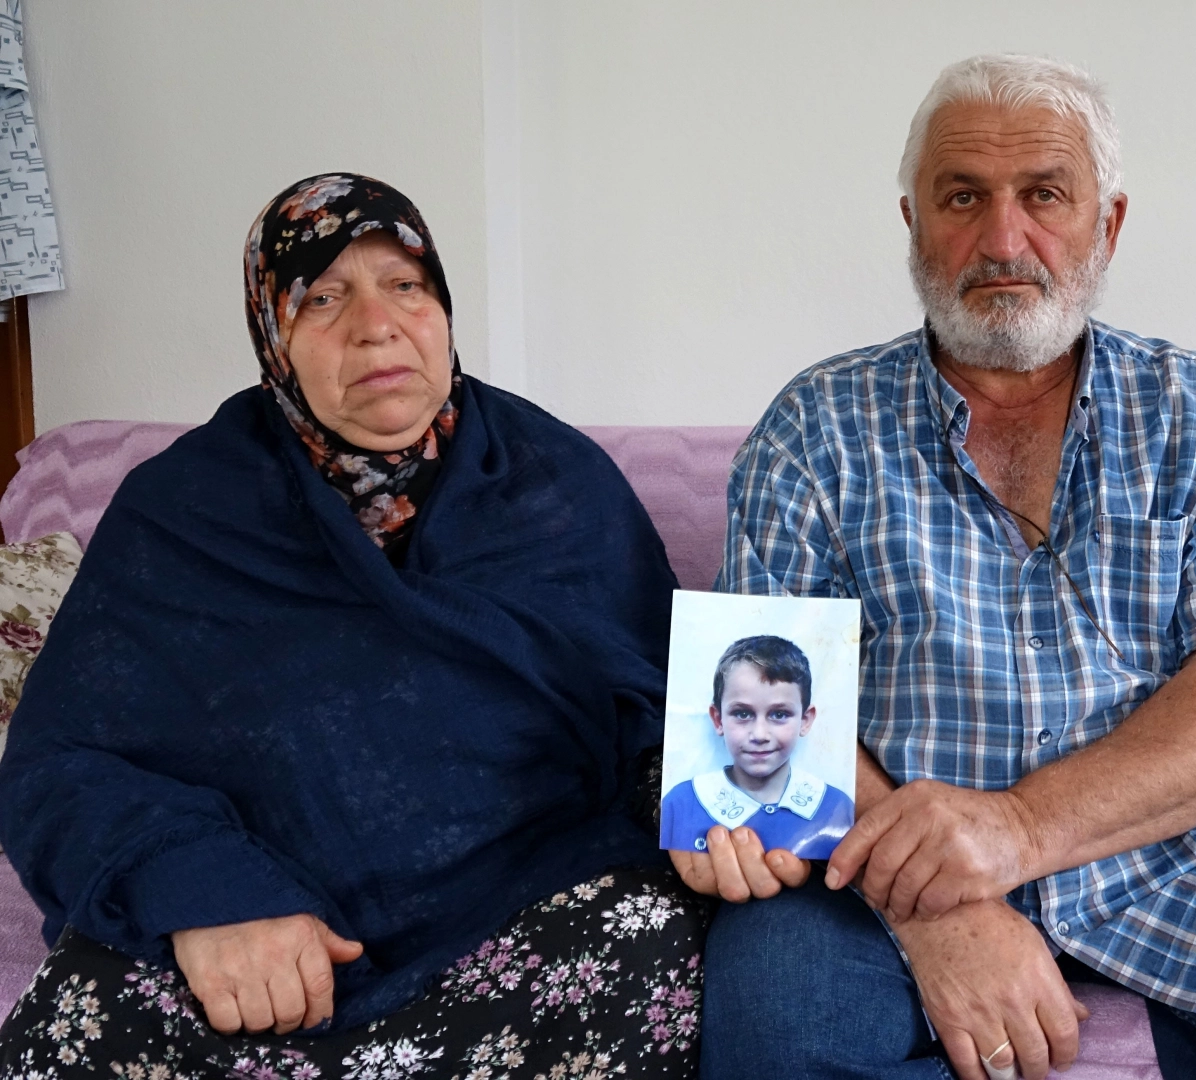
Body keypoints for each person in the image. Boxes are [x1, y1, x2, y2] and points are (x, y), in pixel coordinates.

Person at [681, 55, 1196, 1080]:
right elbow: (762, 693)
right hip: (893, 855)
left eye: (1044, 195)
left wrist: (1018, 831)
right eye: (963, 197)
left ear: (1109, 222)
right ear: (913, 222)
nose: (1004, 240)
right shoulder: (812, 425)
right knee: (777, 1027)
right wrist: (940, 907)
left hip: (1185, 848)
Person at [0, 173, 710, 1078]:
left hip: (525, 914)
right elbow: (57, 764)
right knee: (81, 1004)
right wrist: (206, 890)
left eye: (405, 285)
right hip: (262, 946)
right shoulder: (183, 510)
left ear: (443, 309)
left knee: (650, 938)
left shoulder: (554, 483)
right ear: (273, 333)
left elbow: (669, 707)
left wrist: (717, 815)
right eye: (324, 297)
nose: (377, 325)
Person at [660, 636, 854, 858]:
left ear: (805, 720)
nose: (760, 735)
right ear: (718, 719)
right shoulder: (680, 803)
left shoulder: (836, 807)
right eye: (742, 713)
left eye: (779, 714)